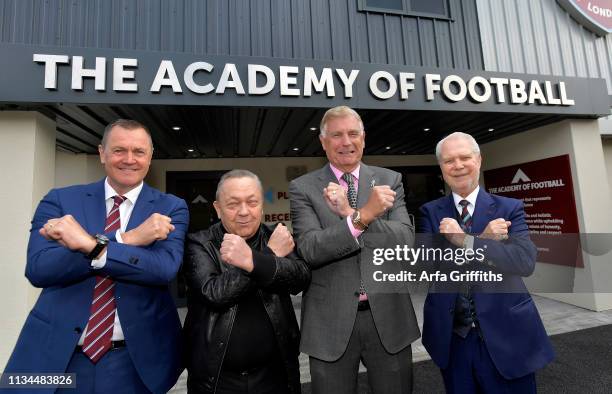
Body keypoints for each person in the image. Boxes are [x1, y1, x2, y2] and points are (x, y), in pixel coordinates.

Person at [2, 119, 188, 394]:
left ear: (150, 156)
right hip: (56, 359)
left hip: (134, 363)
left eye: (138, 151)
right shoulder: (60, 200)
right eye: (119, 150)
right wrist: (125, 239)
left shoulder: (170, 207)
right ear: (102, 153)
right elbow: (39, 268)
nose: (129, 159)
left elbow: (163, 268)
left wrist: (86, 244)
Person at [289, 106, 420, 394]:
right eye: (336, 135)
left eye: (352, 134)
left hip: (389, 317)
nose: (346, 142)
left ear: (363, 138)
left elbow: (404, 242)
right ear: (323, 142)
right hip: (329, 322)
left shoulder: (389, 180)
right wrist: (364, 216)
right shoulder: (303, 187)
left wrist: (352, 214)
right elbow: (311, 249)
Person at [418, 132, 554, 393]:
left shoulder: (509, 208)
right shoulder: (430, 212)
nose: (457, 166)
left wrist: (465, 241)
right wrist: (483, 239)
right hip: (454, 341)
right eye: (449, 161)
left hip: (508, 335)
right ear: (441, 168)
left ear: (479, 160)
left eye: (464, 157)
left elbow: (524, 262)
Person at [183, 169, 310, 394]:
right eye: (233, 204)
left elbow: (300, 278)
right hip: (218, 378)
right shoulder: (200, 243)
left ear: (261, 205)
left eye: (252, 202)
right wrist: (267, 257)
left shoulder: (276, 235)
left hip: (275, 374)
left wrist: (255, 260)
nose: (244, 212)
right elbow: (214, 293)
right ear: (218, 208)